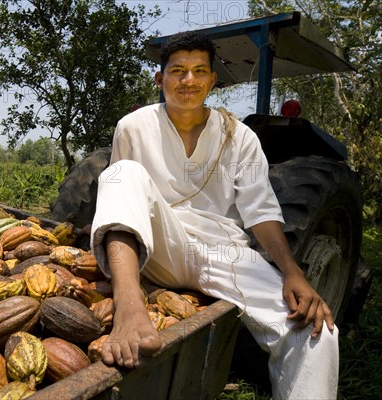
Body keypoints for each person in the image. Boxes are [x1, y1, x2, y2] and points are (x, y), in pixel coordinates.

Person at [90, 31, 338, 400]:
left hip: (223, 251)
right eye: (177, 71)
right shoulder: (134, 126)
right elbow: (122, 199)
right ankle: (129, 307)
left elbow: (260, 211)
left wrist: (292, 272)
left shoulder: (240, 138)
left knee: (316, 332)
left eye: (198, 71)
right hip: (161, 246)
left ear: (212, 81)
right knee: (122, 173)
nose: (188, 80)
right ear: (160, 80)